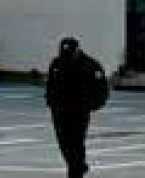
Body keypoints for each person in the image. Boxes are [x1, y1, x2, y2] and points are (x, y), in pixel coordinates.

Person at [44, 36, 108, 178]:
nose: (66, 56)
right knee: (63, 143)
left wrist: (93, 104)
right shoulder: (56, 63)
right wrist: (50, 101)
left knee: (76, 142)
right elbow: (50, 84)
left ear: (77, 50)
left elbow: (102, 87)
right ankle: (79, 166)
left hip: (79, 111)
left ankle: (75, 171)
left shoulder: (90, 65)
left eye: (69, 53)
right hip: (59, 111)